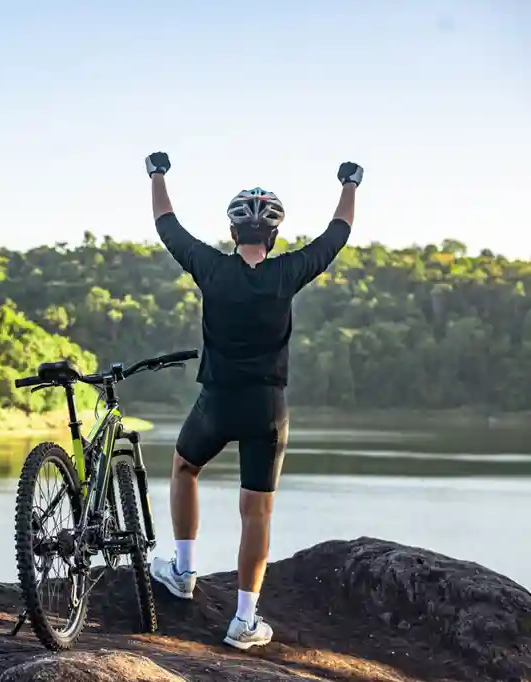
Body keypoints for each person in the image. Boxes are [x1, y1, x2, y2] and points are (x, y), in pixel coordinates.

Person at [143, 151, 363, 650]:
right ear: (274, 237)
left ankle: (183, 569)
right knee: (257, 512)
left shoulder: (212, 269)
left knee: (183, 467)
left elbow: (166, 224)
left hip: (217, 403)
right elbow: (337, 234)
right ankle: (244, 621)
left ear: (232, 233)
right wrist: (350, 184)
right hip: (268, 409)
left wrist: (157, 174)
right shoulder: (287, 273)